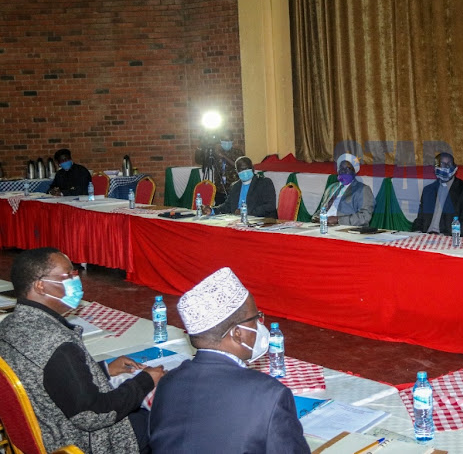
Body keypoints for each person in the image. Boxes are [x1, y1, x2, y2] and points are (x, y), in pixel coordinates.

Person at [0, 248, 165, 453]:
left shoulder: (10, 325)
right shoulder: (57, 343)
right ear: (41, 286)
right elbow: (93, 415)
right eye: (67, 275)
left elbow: (49, 376)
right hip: (80, 441)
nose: (75, 281)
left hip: (45, 426)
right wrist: (145, 381)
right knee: (166, 418)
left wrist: (102, 370)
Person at [149, 268, 309, 453]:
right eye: (256, 319)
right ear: (237, 334)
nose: (259, 325)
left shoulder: (168, 383)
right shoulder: (270, 395)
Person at [411, 152, 463, 238]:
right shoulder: (428, 190)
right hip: (426, 237)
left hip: (450, 238)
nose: (444, 168)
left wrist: (445, 237)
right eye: (441, 165)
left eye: (448, 165)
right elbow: (420, 219)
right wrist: (417, 233)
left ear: (455, 168)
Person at [311, 153, 374, 227]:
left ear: (354, 172)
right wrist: (316, 217)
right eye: (341, 168)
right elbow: (323, 208)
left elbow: (365, 217)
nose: (344, 171)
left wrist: (337, 220)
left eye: (348, 168)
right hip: (322, 226)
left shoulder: (362, 189)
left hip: (344, 229)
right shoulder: (331, 187)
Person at [203, 156, 277, 218]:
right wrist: (212, 210)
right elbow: (227, 206)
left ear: (253, 168)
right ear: (237, 171)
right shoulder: (235, 186)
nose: (245, 171)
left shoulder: (264, 183)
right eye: (241, 169)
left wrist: (245, 212)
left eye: (247, 168)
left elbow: (270, 206)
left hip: (261, 222)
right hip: (238, 221)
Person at [194, 130, 244, 205]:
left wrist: (223, 156)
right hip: (219, 188)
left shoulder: (237, 152)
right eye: (224, 140)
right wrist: (200, 146)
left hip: (234, 188)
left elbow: (238, 165)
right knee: (220, 210)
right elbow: (199, 160)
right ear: (220, 141)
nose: (227, 142)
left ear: (232, 140)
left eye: (229, 140)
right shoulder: (215, 152)